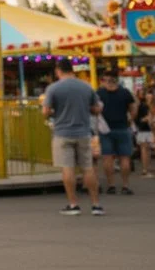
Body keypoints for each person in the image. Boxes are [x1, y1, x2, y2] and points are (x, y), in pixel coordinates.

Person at [43, 59, 105, 215]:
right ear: (72, 69)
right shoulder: (86, 86)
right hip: (83, 132)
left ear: (58, 70)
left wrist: (54, 113)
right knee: (88, 168)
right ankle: (96, 204)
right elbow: (97, 109)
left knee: (67, 168)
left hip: (62, 133)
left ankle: (73, 204)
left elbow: (45, 111)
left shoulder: (53, 88)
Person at [96, 73, 137, 195]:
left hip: (105, 130)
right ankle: (125, 185)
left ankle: (111, 185)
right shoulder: (125, 92)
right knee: (125, 158)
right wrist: (130, 120)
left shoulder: (99, 93)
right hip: (123, 128)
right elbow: (133, 108)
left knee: (107, 158)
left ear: (105, 80)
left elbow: (94, 109)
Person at [136, 87, 153, 178]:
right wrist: (147, 119)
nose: (149, 97)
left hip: (149, 130)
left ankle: (147, 169)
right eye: (148, 95)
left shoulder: (149, 106)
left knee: (148, 150)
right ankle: (145, 170)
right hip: (144, 130)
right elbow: (139, 119)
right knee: (145, 150)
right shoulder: (143, 106)